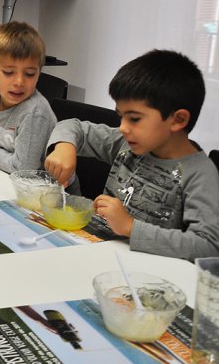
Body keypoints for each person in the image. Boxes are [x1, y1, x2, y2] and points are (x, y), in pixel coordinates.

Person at [44, 50, 219, 260]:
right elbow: (73, 127)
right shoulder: (126, 143)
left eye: (134, 119)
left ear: (177, 119)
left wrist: (130, 228)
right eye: (121, 117)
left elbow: (208, 246)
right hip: (98, 253)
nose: (123, 128)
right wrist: (65, 147)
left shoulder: (199, 174)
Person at [0, 22, 56, 172]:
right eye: (8, 72)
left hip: (48, 191)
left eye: (30, 74)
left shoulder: (34, 113)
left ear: (39, 73)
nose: (19, 82)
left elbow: (24, 168)